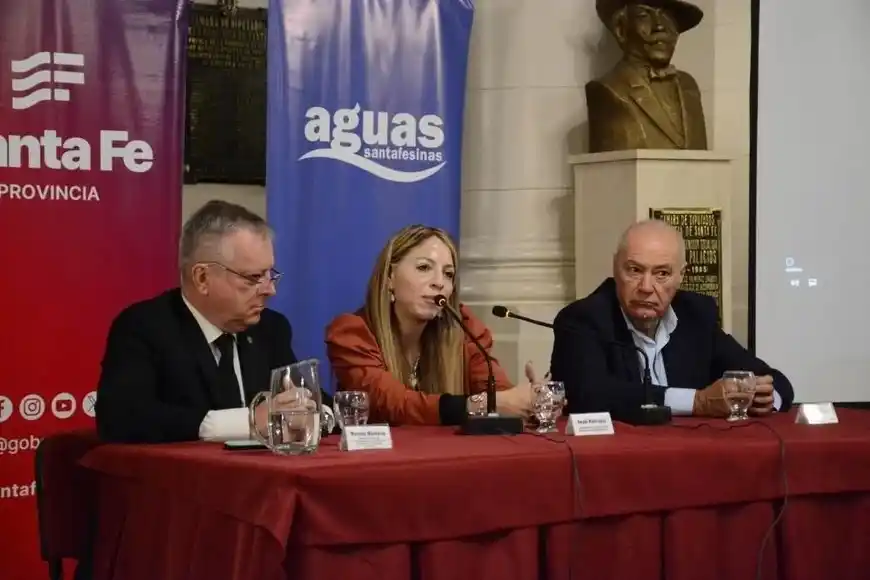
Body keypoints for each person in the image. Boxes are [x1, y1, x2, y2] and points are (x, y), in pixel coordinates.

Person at [96, 200, 317, 443]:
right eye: (254, 277)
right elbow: (122, 418)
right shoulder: (145, 327)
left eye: (269, 274)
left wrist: (311, 412)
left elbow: (312, 403)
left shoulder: (271, 328)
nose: (270, 290)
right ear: (202, 278)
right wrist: (249, 422)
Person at [550, 220, 794, 420]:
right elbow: (588, 395)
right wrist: (698, 402)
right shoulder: (582, 320)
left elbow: (774, 380)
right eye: (634, 270)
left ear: (681, 276)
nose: (646, 287)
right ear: (615, 268)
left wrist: (765, 397)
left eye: (662, 273)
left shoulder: (696, 314)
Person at [325, 225, 536, 426]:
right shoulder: (353, 333)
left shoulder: (463, 327)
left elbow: (498, 394)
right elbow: (390, 404)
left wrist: (529, 400)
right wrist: (475, 405)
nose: (439, 282)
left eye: (448, 274)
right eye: (424, 267)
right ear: (390, 277)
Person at [586, 0, 708, 152]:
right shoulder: (608, 88)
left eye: (667, 16)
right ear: (620, 29)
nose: (660, 26)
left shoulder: (689, 86)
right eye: (643, 15)